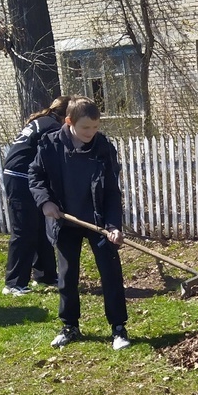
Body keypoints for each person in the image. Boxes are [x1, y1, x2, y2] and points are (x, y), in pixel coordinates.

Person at [28, 97, 130, 350]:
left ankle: (118, 329)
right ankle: (69, 326)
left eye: (95, 127)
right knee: (67, 275)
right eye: (86, 127)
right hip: (65, 220)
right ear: (69, 122)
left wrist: (114, 225)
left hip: (98, 222)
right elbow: (35, 176)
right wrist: (45, 203)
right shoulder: (49, 145)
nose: (91, 133)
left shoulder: (103, 147)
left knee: (111, 274)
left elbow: (111, 192)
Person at [1, 96, 70, 295]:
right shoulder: (52, 128)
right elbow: (54, 161)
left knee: (40, 226)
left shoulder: (44, 121)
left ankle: (45, 275)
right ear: (66, 116)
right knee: (24, 229)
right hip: (21, 177)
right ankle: (13, 283)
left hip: (23, 175)